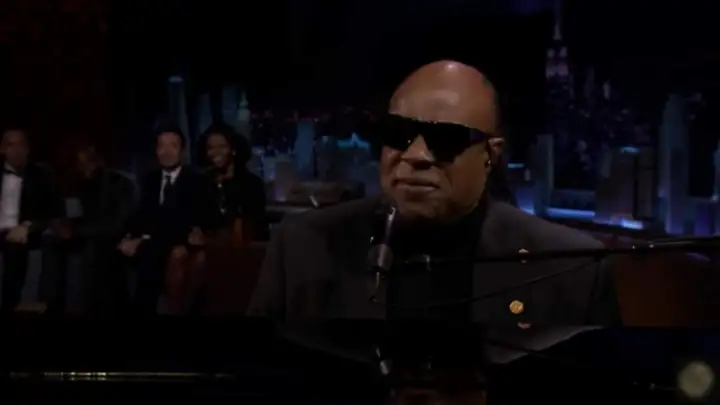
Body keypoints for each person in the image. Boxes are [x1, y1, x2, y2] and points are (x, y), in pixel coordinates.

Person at [248, 60, 620, 324]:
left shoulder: (570, 270)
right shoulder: (300, 248)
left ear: (491, 155)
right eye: (399, 134)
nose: (416, 156)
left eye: (445, 139)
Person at [116, 126, 215, 314]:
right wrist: (128, 237)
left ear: (182, 151)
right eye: (162, 146)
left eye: (173, 146)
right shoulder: (149, 179)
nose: (167, 151)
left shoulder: (197, 181)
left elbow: (189, 221)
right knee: (114, 251)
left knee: (148, 254)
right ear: (156, 150)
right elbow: (140, 216)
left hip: (176, 241)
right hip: (152, 241)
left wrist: (144, 239)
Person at [47, 144, 136, 314]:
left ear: (97, 161)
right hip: (93, 234)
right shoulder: (84, 183)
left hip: (120, 237)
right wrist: (65, 225)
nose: (82, 168)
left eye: (87, 161)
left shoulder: (121, 183)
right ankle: (54, 307)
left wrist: (75, 231)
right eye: (79, 164)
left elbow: (117, 225)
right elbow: (88, 217)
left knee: (95, 248)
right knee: (53, 241)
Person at [0, 127, 62, 313]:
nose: (17, 150)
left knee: (15, 246)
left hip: (25, 231)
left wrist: (27, 225)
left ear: (28, 149)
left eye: (21, 145)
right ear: (2, 149)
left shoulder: (42, 174)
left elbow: (52, 209)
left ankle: (9, 306)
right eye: (11, 145)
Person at [199, 123, 267, 241]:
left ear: (233, 149)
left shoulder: (252, 184)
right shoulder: (202, 183)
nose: (216, 152)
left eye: (222, 147)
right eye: (210, 148)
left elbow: (256, 226)